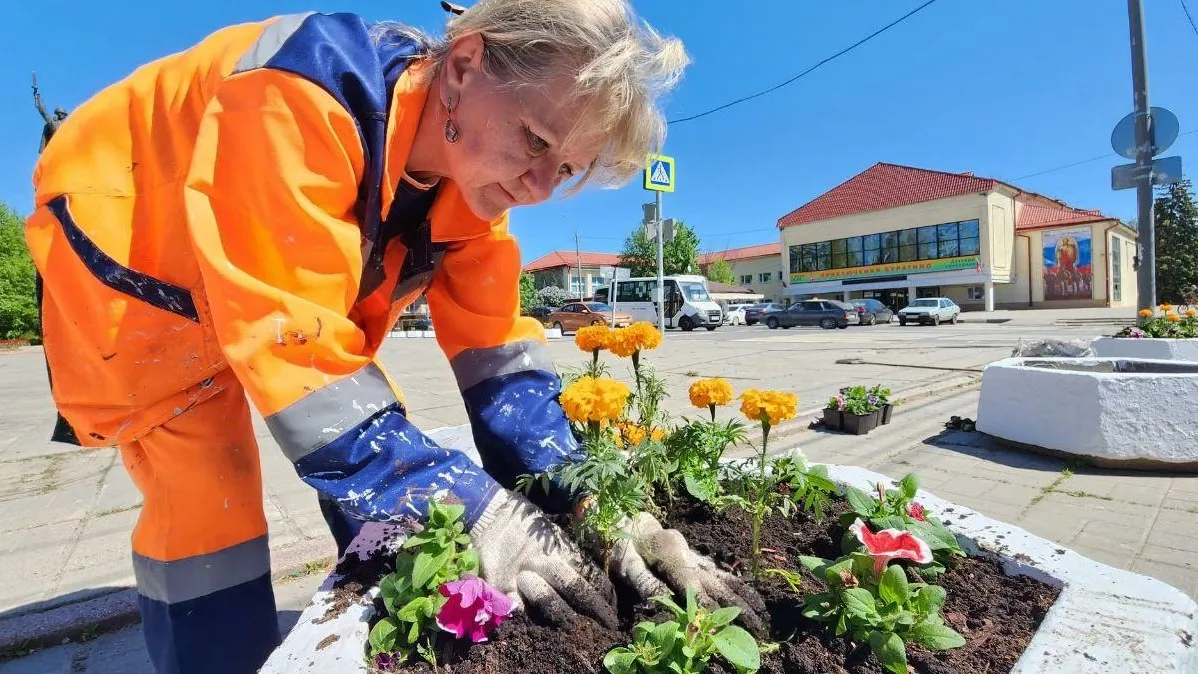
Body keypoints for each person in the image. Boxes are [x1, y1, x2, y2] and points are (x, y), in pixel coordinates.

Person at [26, 2, 762, 673]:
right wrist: (481, 513)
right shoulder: (303, 91)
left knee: (387, 467)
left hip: (256, 275)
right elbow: (302, 358)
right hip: (142, 256)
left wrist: (594, 505)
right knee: (208, 501)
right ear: (464, 66)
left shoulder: (474, 187)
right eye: (535, 139)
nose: (540, 187)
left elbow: (500, 361)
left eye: (565, 168)